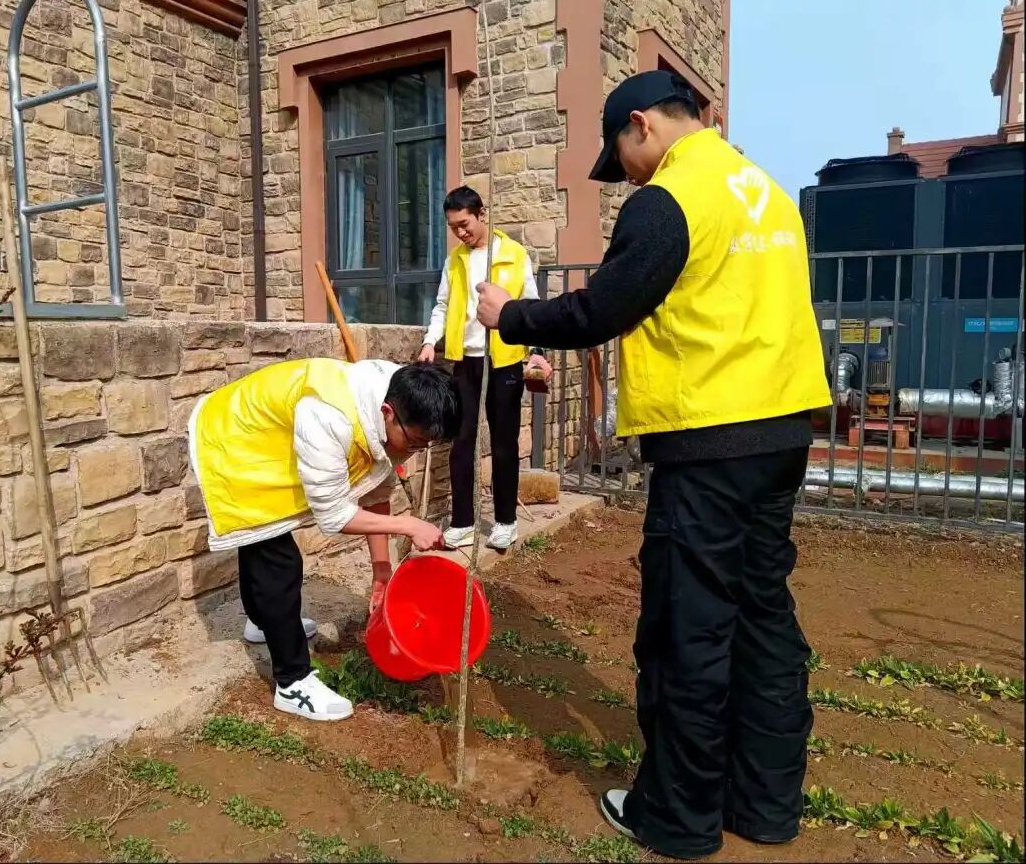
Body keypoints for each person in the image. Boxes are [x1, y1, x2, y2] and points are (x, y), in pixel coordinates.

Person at [476, 70, 832, 859]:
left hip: (707, 443)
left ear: (641, 124)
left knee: (688, 631)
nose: (627, 179)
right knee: (763, 621)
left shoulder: (671, 199)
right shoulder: (766, 192)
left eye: (622, 160)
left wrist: (511, 315)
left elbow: (603, 306)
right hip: (781, 435)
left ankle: (677, 816)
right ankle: (765, 803)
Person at [187, 358, 461, 722]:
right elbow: (333, 516)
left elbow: (374, 491)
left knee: (263, 542)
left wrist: (382, 570)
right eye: (414, 443)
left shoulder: (400, 392)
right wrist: (408, 525)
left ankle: (264, 622)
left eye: (426, 446)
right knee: (276, 555)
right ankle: (292, 683)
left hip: (265, 433)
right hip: (232, 438)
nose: (416, 451)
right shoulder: (330, 418)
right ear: (388, 414)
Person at [418, 186, 552, 551]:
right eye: (453, 227)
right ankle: (463, 522)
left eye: (464, 224)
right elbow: (443, 306)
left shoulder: (513, 254)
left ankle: (506, 521)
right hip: (466, 360)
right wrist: (430, 341)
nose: (460, 232)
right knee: (461, 442)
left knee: (504, 443)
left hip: (504, 361)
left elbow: (529, 305)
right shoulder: (454, 261)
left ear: (481, 214)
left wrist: (536, 351)